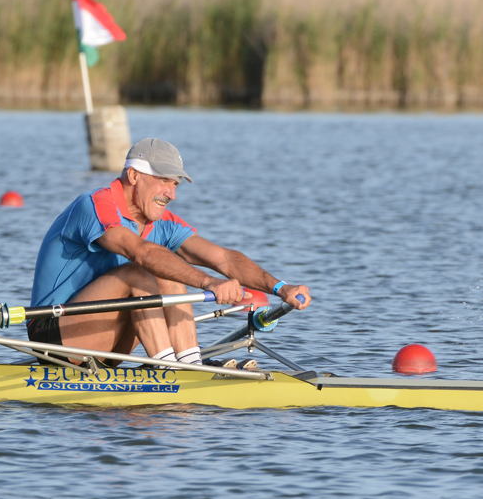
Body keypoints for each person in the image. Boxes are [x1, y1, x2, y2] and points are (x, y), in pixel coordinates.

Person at [28, 137, 312, 366]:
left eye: (175, 184)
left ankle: (189, 361)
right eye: (165, 181)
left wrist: (281, 287)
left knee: (169, 264)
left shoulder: (162, 223)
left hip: (102, 337)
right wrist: (209, 283)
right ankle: (168, 367)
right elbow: (140, 253)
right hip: (52, 337)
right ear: (134, 175)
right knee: (143, 268)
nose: (172, 194)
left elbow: (224, 259)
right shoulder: (93, 206)